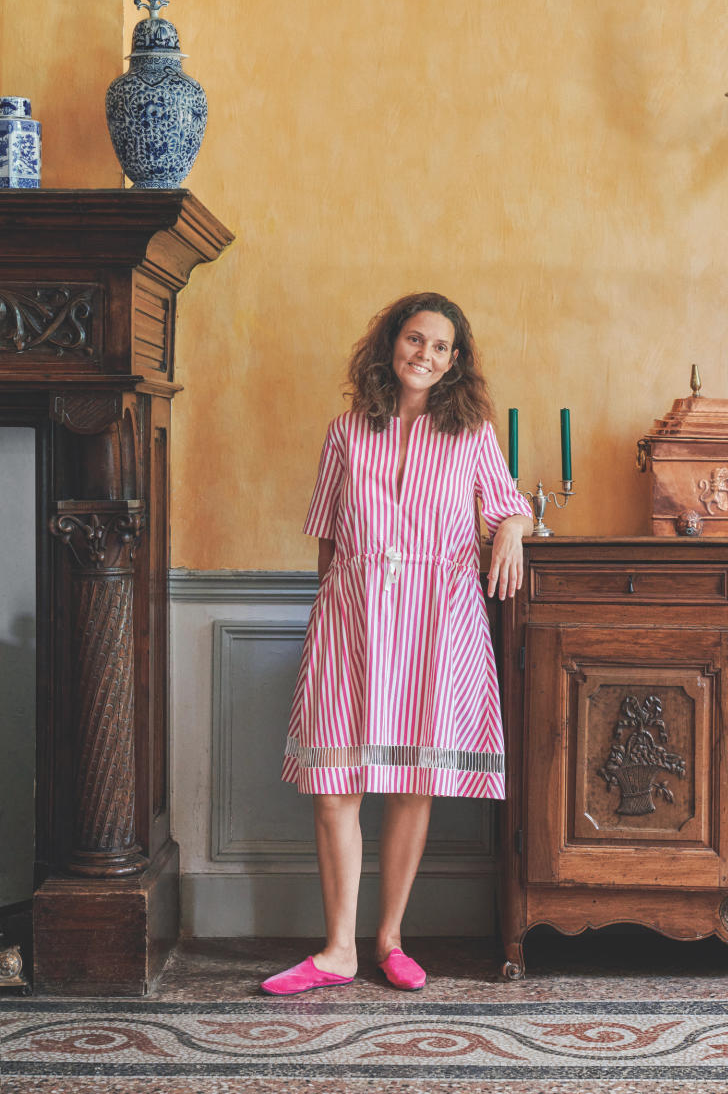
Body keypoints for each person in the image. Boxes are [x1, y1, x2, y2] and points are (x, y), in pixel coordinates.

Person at [262, 293, 534, 995]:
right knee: (335, 788)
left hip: (439, 619)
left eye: (442, 348)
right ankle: (336, 951)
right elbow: (327, 538)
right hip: (352, 616)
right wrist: (332, 617)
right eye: (417, 340)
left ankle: (388, 940)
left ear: (455, 363)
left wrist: (509, 527)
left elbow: (507, 502)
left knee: (416, 782)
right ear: (392, 345)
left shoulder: (471, 434)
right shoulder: (345, 432)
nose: (427, 355)